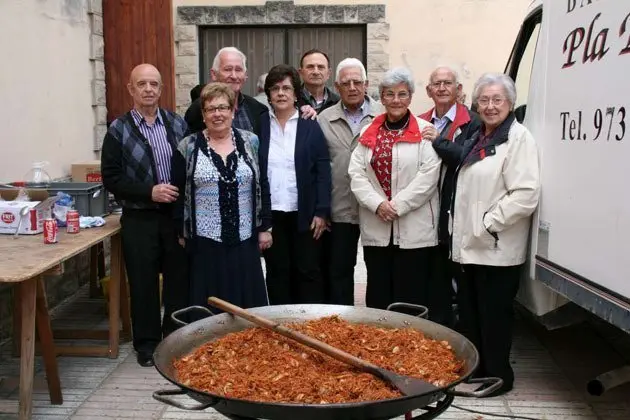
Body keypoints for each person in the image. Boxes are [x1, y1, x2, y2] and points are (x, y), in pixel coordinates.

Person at [447, 73, 541, 397]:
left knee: (494, 317)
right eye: (484, 100)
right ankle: (477, 372)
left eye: (497, 100)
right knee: (472, 314)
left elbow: (526, 193)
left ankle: (499, 377)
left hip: (496, 248)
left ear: (510, 103)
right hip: (472, 246)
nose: (489, 106)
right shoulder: (477, 135)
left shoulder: (518, 138)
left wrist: (487, 223)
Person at [101, 64, 189, 367]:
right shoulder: (118, 129)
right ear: (131, 89)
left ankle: (173, 340)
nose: (148, 89)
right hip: (139, 218)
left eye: (154, 83)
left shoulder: (177, 124)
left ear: (161, 89)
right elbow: (110, 178)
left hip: (173, 217)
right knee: (143, 283)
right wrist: (148, 191)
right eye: (142, 84)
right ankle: (148, 345)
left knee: (178, 282)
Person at [172, 83, 272, 315]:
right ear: (203, 114)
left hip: (245, 240)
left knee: (248, 307)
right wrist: (181, 231)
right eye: (210, 109)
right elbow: (178, 193)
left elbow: (262, 184)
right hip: (205, 243)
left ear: (232, 111)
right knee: (209, 307)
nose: (217, 114)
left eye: (223, 108)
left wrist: (265, 226)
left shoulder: (251, 142)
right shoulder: (187, 147)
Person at [348, 67, 441, 311]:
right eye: (389, 94)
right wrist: (377, 204)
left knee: (411, 294)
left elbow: (428, 176)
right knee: (379, 293)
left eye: (402, 94)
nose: (396, 100)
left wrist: (397, 206)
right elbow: (356, 173)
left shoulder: (425, 132)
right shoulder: (368, 131)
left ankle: (411, 347)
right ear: (382, 97)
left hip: (414, 230)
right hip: (377, 227)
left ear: (410, 97)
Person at [260, 64, 332, 305]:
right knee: (277, 273)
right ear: (268, 94)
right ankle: (281, 329)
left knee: (308, 272)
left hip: (305, 214)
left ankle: (309, 328)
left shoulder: (309, 124)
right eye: (275, 88)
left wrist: (322, 211)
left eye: (287, 88)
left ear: (295, 93)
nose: (281, 93)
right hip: (273, 214)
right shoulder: (259, 126)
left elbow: (323, 168)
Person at [418, 66, 481, 327]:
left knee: (460, 280)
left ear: (459, 90)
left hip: (457, 212)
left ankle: (460, 335)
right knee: (433, 280)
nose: (442, 88)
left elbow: (467, 157)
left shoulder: (473, 121)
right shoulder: (418, 120)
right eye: (437, 83)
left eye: (448, 83)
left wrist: (438, 141)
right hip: (425, 212)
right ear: (428, 90)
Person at [318, 58, 382, 305]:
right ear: (337, 86)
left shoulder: (383, 116)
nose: (352, 87)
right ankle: (342, 326)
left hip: (376, 210)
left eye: (357, 82)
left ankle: (375, 324)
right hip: (340, 210)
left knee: (377, 273)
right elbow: (319, 168)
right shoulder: (324, 119)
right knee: (340, 272)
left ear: (366, 84)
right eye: (346, 83)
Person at [184, 47, 269, 136]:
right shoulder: (197, 110)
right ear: (214, 74)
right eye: (228, 69)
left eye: (238, 70)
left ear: (245, 75)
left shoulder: (257, 109)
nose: (234, 76)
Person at [298, 49, 340, 114]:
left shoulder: (339, 103)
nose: (316, 72)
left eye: (321, 67)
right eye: (310, 67)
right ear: (301, 73)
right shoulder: (291, 101)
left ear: (328, 73)